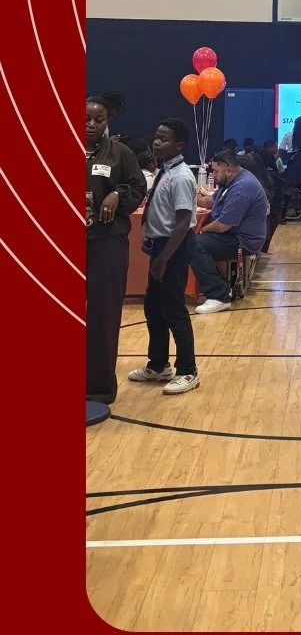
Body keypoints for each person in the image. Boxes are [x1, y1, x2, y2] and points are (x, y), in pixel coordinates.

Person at [127, 118, 200, 395]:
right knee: (154, 308)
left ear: (179, 145)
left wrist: (163, 257)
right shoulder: (165, 170)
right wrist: (150, 236)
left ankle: (188, 370)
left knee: (174, 310)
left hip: (175, 248)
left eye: (164, 139)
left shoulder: (181, 175)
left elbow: (182, 222)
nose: (156, 142)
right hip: (161, 245)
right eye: (156, 137)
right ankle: (158, 365)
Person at [86, 93, 147, 404]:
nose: (92, 125)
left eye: (99, 120)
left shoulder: (120, 153)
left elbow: (138, 185)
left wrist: (117, 195)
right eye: (87, 119)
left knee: (102, 313)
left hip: (105, 242)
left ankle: (97, 388)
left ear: (108, 122)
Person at [190, 150, 268, 313]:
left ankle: (219, 295)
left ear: (229, 169)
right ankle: (222, 287)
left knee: (194, 245)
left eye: (216, 171)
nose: (214, 175)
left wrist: (200, 230)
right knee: (195, 241)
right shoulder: (232, 181)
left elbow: (223, 225)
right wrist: (188, 198)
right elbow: (212, 200)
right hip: (231, 234)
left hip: (243, 240)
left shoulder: (242, 187)